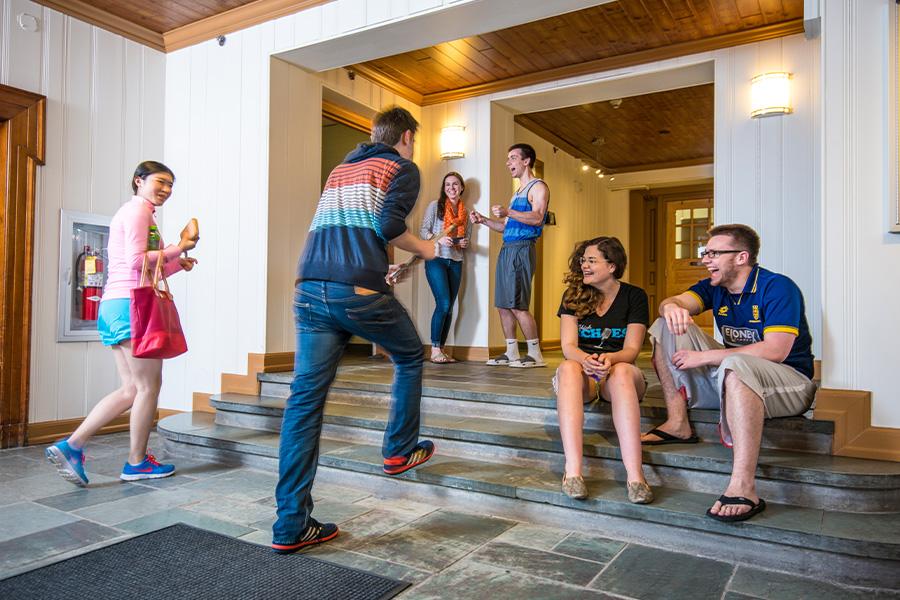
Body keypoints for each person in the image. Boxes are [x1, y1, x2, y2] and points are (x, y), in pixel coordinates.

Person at [272, 106, 437, 554]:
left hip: (310, 287)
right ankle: (399, 450)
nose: (412, 149)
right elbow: (387, 225)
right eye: (413, 141)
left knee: (304, 402)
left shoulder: (342, 168)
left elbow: (352, 229)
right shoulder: (401, 166)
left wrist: (380, 267)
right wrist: (427, 247)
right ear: (405, 137)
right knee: (408, 355)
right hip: (355, 290)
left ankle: (290, 524)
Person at [640, 224, 816, 522]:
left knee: (736, 364)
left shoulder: (778, 287)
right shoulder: (714, 287)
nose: (706, 259)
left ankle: (744, 486)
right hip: (735, 378)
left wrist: (707, 357)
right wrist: (671, 307)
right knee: (662, 327)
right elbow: (675, 303)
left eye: (714, 253)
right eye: (705, 253)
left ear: (741, 257)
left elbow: (776, 350)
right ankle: (678, 423)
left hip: (789, 384)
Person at [45, 161, 199, 487]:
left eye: (171, 185)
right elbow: (136, 262)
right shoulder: (138, 212)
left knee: (131, 389)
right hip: (132, 305)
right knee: (147, 387)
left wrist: (176, 263)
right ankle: (136, 462)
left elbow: (140, 266)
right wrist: (177, 247)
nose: (166, 190)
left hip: (116, 304)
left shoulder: (138, 214)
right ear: (139, 180)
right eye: (160, 182)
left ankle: (72, 446)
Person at [554, 237, 652, 504]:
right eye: (583, 260)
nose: (584, 265)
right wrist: (586, 360)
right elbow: (568, 346)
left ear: (612, 266)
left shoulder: (635, 296)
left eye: (591, 260)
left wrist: (609, 359)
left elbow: (632, 350)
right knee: (568, 367)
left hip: (619, 371)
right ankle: (573, 472)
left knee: (621, 372)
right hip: (582, 372)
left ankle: (636, 476)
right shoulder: (572, 295)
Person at [470, 143, 549, 368]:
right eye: (508, 158)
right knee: (503, 305)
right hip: (507, 249)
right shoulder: (517, 194)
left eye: (513, 158)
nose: (508, 163)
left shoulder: (538, 187)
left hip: (523, 248)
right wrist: (483, 220)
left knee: (517, 304)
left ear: (526, 161)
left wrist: (508, 211)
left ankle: (535, 354)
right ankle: (511, 352)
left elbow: (537, 218)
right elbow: (505, 226)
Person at [420, 172, 470, 363]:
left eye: (455, 184)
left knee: (450, 308)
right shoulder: (435, 206)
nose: (451, 188)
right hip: (436, 259)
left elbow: (468, 237)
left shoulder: (465, 212)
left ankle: (441, 349)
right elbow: (424, 231)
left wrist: (465, 243)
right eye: (447, 184)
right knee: (444, 303)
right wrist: (440, 238)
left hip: (456, 261)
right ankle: (434, 349)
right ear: (443, 188)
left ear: (461, 187)